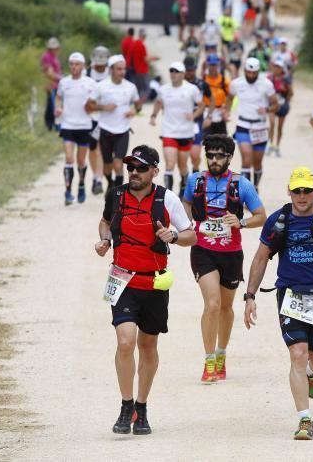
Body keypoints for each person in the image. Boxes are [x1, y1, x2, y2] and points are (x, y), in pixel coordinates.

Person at [243, 166, 313, 440]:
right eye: (297, 191)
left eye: (307, 190)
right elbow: (260, 258)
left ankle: (312, 373)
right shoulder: (277, 220)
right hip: (291, 294)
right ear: (289, 192)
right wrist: (250, 296)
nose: (302, 196)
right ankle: (305, 420)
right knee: (297, 353)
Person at [96, 145, 197, 435]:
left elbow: (191, 234)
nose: (134, 173)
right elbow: (105, 221)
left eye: (141, 168)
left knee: (148, 345)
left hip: (153, 282)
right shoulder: (116, 195)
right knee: (125, 341)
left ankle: (142, 406)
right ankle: (126, 404)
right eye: (131, 168)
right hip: (122, 279)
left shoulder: (167, 198)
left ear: (155, 170)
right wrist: (104, 240)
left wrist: (174, 235)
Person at [182, 134, 266, 383]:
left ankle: (221, 354)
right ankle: (208, 361)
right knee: (212, 304)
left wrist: (240, 222)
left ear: (229, 157)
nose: (214, 160)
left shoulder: (242, 185)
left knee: (226, 308)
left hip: (231, 253)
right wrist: (190, 224)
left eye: (220, 156)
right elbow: (185, 203)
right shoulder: (194, 180)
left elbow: (261, 215)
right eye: (211, 155)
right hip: (203, 250)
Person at [87, 55, 143, 191]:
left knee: (118, 164)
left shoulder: (130, 87)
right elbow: (89, 105)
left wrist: (134, 111)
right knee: (107, 166)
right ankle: (110, 183)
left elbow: (138, 104)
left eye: (124, 69)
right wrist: (103, 107)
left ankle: (117, 193)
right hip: (105, 130)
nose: (122, 72)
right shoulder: (101, 86)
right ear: (111, 69)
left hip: (123, 131)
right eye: (119, 69)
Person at [150, 61, 204, 195]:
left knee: (183, 166)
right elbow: (158, 102)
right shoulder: (164, 89)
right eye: (171, 71)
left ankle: (183, 187)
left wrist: (194, 115)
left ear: (183, 74)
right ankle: (168, 194)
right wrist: (153, 116)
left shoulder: (191, 89)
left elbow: (202, 105)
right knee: (169, 163)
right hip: (169, 131)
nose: (173, 74)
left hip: (186, 132)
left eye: (176, 71)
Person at [227, 57, 279, 191]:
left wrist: (267, 109)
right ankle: (246, 191)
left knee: (257, 162)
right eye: (248, 72)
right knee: (246, 158)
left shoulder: (266, 84)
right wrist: (226, 111)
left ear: (258, 72)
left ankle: (255, 186)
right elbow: (230, 97)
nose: (251, 75)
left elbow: (276, 104)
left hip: (260, 127)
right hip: (243, 124)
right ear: (244, 70)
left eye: (254, 73)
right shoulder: (236, 83)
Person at [54, 52, 96, 205]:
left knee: (80, 161)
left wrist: (93, 108)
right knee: (69, 158)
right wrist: (58, 108)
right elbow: (58, 97)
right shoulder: (64, 82)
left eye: (77, 64)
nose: (74, 66)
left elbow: (96, 101)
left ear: (83, 66)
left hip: (84, 125)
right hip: (68, 125)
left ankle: (81, 185)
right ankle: (67, 191)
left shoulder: (90, 83)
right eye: (71, 63)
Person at [87, 46, 111, 195]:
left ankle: (98, 179)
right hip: (89, 116)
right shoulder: (87, 73)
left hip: (105, 116)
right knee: (92, 149)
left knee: (100, 149)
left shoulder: (111, 73)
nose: (100, 65)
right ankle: (96, 175)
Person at [183, 58, 214, 175]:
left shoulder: (202, 84)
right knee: (183, 156)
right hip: (181, 121)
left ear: (195, 69)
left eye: (191, 70)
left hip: (197, 121)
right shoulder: (179, 85)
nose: (189, 72)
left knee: (195, 156)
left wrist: (209, 116)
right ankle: (184, 181)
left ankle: (196, 178)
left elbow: (212, 100)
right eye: (187, 70)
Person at [266, 60, 293, 157]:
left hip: (282, 106)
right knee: (272, 124)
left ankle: (277, 147)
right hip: (273, 106)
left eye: (278, 67)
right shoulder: (269, 79)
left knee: (280, 128)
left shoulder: (286, 79)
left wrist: (286, 101)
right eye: (275, 67)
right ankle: (271, 145)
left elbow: (291, 92)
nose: (276, 69)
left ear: (282, 69)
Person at [203, 54, 230, 135]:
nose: (213, 67)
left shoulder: (225, 81)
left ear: (218, 65)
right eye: (211, 65)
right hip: (206, 113)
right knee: (208, 144)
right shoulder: (203, 81)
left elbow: (231, 99)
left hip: (220, 114)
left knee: (222, 143)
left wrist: (226, 110)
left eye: (215, 65)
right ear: (207, 65)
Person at [131, 28, 159, 102]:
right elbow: (145, 59)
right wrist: (154, 58)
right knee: (147, 88)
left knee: (139, 88)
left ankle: (137, 102)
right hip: (143, 70)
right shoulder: (141, 45)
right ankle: (141, 102)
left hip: (136, 69)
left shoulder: (135, 43)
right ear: (144, 36)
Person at [41, 37, 61, 131]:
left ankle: (51, 125)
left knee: (52, 105)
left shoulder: (54, 56)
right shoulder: (47, 56)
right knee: (52, 106)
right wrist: (61, 78)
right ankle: (51, 125)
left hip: (56, 84)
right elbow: (49, 73)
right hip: (51, 84)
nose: (57, 50)